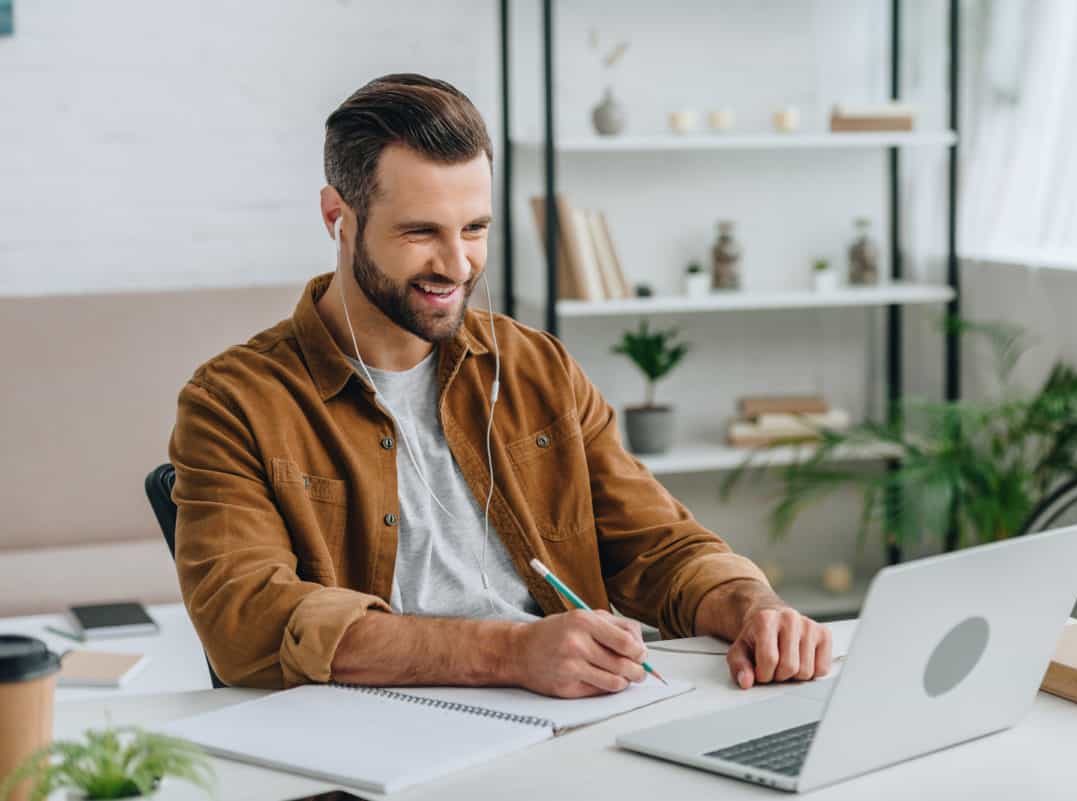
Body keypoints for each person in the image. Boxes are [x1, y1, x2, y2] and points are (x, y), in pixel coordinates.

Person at [170, 73, 832, 697]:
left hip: (571, 716)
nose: (458, 265)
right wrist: (511, 653)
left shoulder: (534, 366)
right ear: (337, 217)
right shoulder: (234, 403)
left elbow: (661, 546)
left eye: (475, 229)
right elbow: (247, 621)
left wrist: (756, 606)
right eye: (421, 232)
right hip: (383, 734)